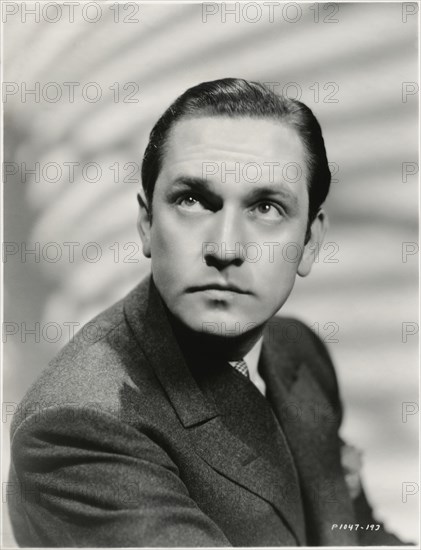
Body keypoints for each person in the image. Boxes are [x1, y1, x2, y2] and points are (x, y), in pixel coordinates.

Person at [8, 78, 404, 546]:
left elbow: (356, 533)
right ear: (146, 224)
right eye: (192, 200)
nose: (225, 247)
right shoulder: (79, 426)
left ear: (310, 244)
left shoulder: (298, 350)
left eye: (267, 207)